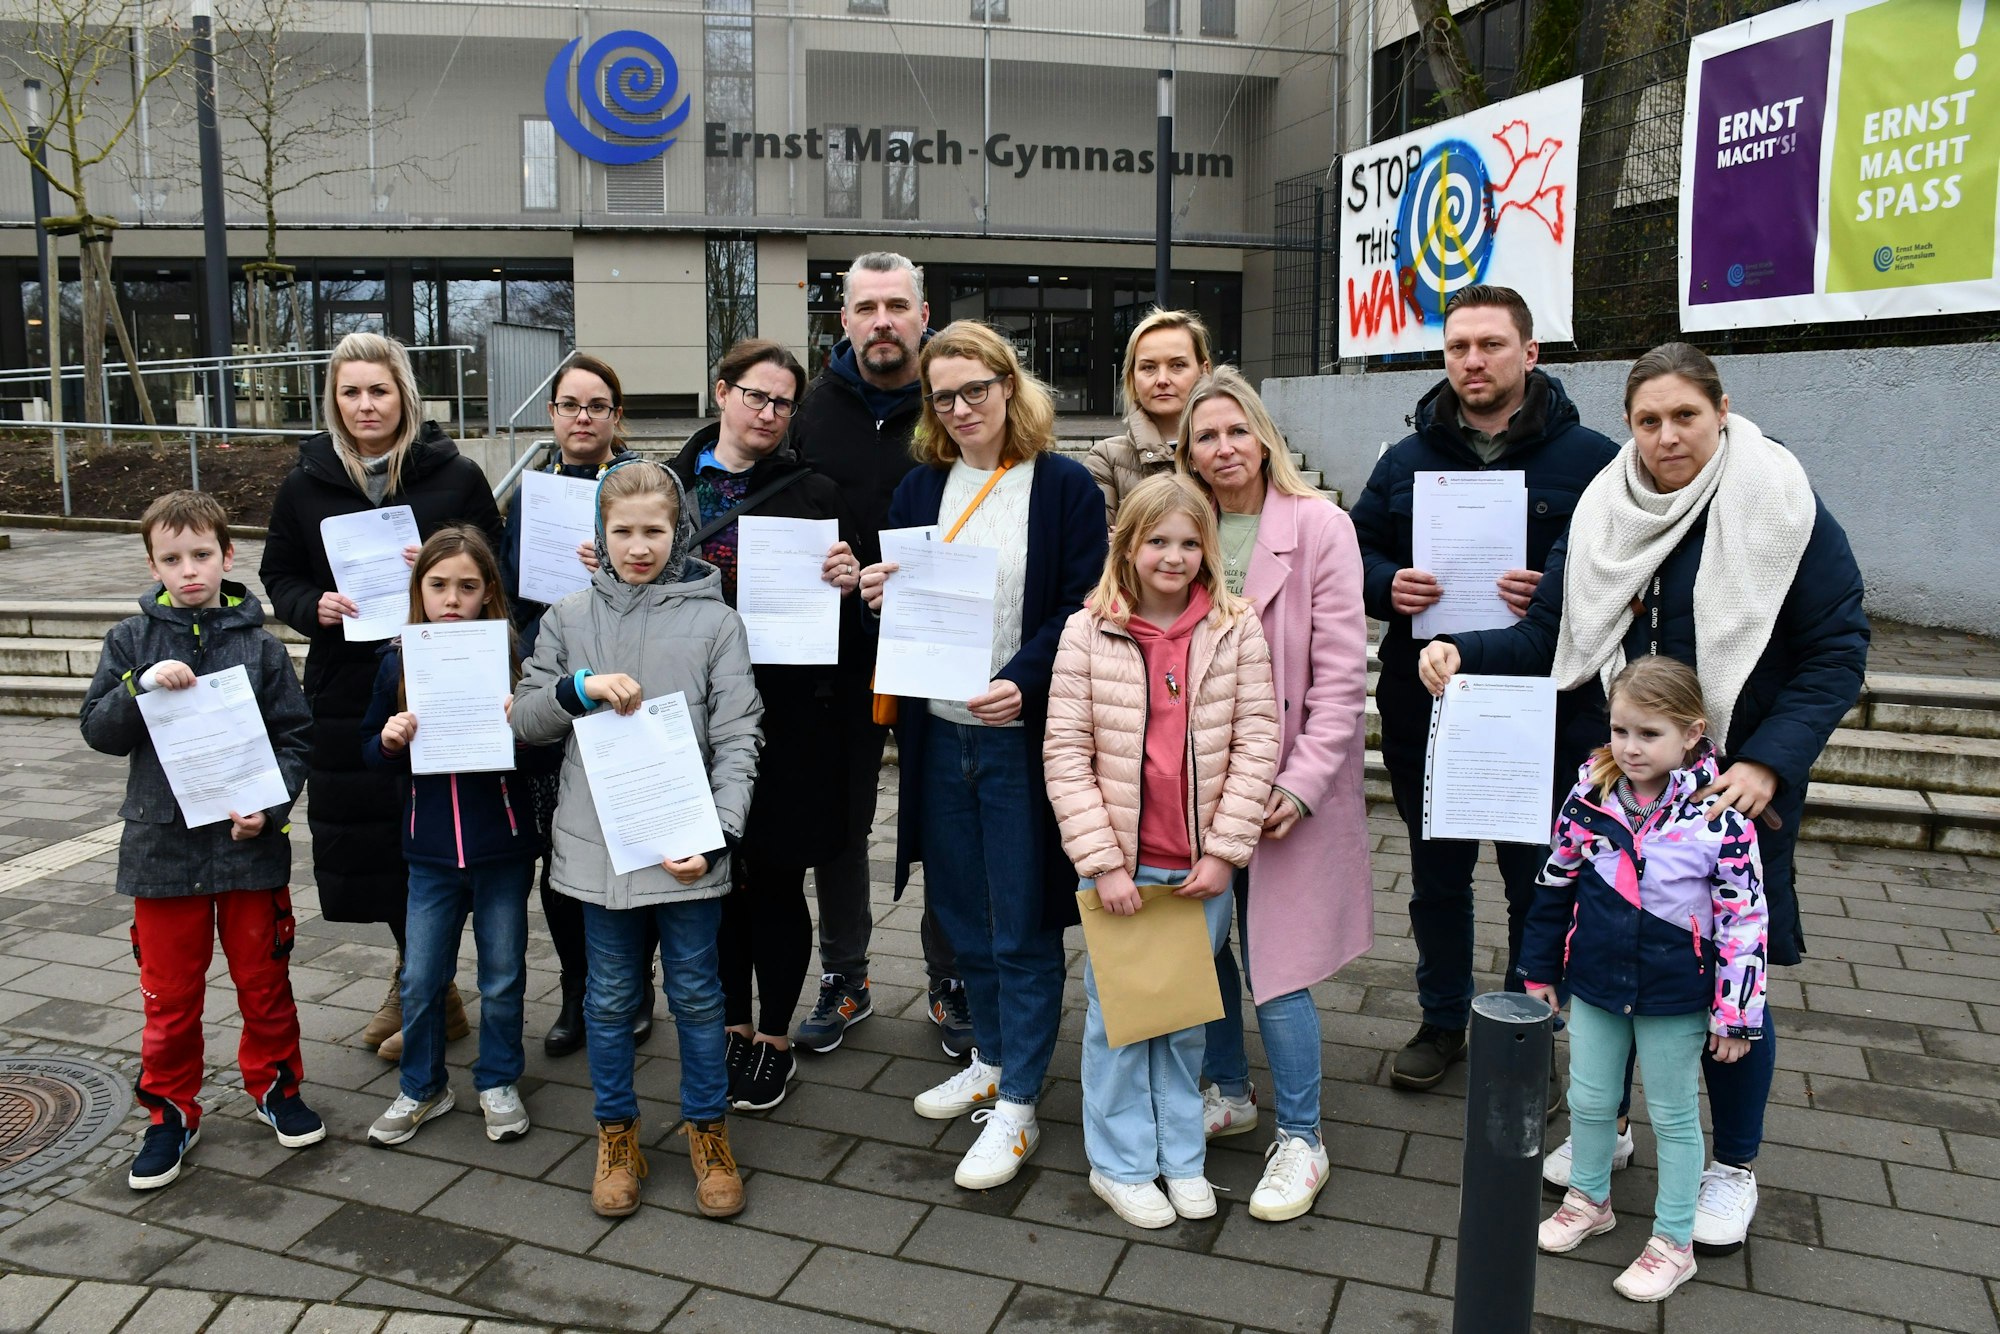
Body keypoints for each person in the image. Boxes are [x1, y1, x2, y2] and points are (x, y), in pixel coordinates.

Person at [1420, 341, 1868, 1253]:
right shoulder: (1605, 505)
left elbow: (1836, 650)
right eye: (1648, 421)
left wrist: (1769, 764)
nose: (1667, 436)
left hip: (1734, 796)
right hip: (1620, 792)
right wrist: (1463, 648)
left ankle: (1730, 1167)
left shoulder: (1782, 502)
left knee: (1731, 983)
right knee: (1606, 965)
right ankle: (1610, 1135)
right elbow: (1553, 631)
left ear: (1721, 408)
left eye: (1685, 417)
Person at [1348, 285, 1618, 1098]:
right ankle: (1441, 1020)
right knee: (1436, 874)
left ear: (1530, 353)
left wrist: (1565, 589)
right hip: (1425, 698)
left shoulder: (1594, 460)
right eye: (1459, 346)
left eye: (1492, 345)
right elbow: (1352, 551)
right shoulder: (1406, 458)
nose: (1473, 360)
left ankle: (1524, 1023)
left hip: (1544, 703)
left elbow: (1626, 575)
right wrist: (1387, 583)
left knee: (1537, 875)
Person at [858, 319, 1107, 1191]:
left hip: (1018, 743)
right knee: (963, 916)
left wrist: (1026, 679)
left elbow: (1084, 607)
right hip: (936, 737)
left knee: (1024, 924)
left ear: (1011, 386)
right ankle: (994, 1057)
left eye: (977, 389)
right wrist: (875, 593)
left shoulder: (1065, 486)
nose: (962, 408)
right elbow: (901, 612)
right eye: (945, 395)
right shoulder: (919, 490)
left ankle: (1021, 1106)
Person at [511, 459, 762, 1220]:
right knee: (611, 999)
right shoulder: (566, 618)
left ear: (679, 530)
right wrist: (574, 691)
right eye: (623, 532)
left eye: (655, 530)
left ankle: (708, 1129)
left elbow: (740, 733)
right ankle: (616, 1133)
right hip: (599, 851)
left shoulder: (716, 619)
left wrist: (719, 834)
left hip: (688, 853)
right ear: (600, 534)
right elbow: (524, 719)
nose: (640, 546)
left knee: (696, 994)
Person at [1044, 474, 1278, 1229]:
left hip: (1196, 871)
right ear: (1130, 547)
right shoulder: (1089, 629)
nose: (1173, 557)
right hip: (1120, 867)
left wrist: (1226, 852)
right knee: (1119, 1022)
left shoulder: (1236, 627)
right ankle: (1119, 1164)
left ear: (1206, 549)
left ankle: (1181, 1157)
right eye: (1157, 542)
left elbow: (1256, 742)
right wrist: (1103, 862)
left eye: (1188, 542)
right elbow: (1066, 752)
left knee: (1181, 1021)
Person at [261, 331, 501, 1059]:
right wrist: (314, 606)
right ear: (333, 401)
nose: (366, 405)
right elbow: (280, 573)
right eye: (350, 392)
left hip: (439, 679)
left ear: (404, 395)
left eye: (379, 390)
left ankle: (424, 987)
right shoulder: (305, 482)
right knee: (372, 841)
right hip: (346, 683)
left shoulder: (452, 475)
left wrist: (441, 558)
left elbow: (495, 559)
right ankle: (422, 983)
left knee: (437, 837)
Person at [79, 491, 322, 1190]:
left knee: (263, 981)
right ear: (152, 563)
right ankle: (169, 1113)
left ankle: (276, 1085)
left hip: (248, 851)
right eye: (173, 559)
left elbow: (296, 738)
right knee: (170, 996)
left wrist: (268, 806)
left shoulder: (260, 645)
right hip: (162, 855)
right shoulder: (130, 642)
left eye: (202, 555)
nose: (190, 571)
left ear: (227, 555)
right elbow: (99, 728)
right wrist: (140, 689)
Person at [1180, 367, 1371, 1222]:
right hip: (1195, 786)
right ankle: (1229, 1089)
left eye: (1235, 431)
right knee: (1203, 946)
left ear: (1263, 436)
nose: (1222, 450)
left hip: (1284, 788)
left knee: (1278, 965)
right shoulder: (1181, 525)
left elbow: (1339, 680)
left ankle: (1303, 1137)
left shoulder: (1320, 526)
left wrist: (1300, 784)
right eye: (1204, 437)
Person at [1527, 656, 1767, 1304]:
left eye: (1649, 734)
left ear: (1692, 733)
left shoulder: (1720, 814)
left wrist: (1736, 1013)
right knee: (1591, 1100)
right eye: (1620, 731)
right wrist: (1538, 970)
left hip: (1674, 994)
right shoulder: (1591, 794)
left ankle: (1673, 1242)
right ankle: (1590, 1199)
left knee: (1673, 1115)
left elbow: (1745, 916)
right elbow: (1554, 882)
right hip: (1597, 983)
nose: (1630, 748)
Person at [667, 337, 862, 1111]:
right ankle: (732, 1025)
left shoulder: (815, 493)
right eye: (756, 395)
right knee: (715, 884)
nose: (769, 413)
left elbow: (846, 627)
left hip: (784, 717)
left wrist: (847, 582)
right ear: (722, 392)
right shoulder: (666, 484)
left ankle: (774, 1036)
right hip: (690, 714)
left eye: (783, 402)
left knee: (776, 879)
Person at [789, 251, 966, 1057]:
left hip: (941, 641)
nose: (883, 321)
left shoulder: (957, 402)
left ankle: (951, 976)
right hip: (833, 654)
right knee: (837, 822)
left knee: (944, 817)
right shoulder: (806, 412)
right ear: (844, 320)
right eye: (867, 307)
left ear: (924, 316)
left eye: (898, 305)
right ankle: (847, 975)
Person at [361, 527, 556, 1148]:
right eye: (438, 585)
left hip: (502, 848)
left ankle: (498, 1080)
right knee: (421, 979)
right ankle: (422, 1087)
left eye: (467, 587)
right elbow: (369, 749)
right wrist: (390, 741)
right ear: (419, 590)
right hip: (431, 852)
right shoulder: (397, 661)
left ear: (488, 593)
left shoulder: (511, 661)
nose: (452, 598)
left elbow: (545, 754)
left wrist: (518, 730)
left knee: (502, 975)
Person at [498, 353, 643, 1059]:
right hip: (554, 688)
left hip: (624, 685)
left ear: (617, 416)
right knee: (560, 848)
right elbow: (509, 587)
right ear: (552, 414)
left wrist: (611, 567)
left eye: (597, 405)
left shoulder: (643, 482)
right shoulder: (533, 491)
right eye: (569, 405)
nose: (582, 417)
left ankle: (633, 987)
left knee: (624, 842)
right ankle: (579, 988)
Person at [1085, 309, 1214, 527]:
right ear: (1133, 378)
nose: (1162, 380)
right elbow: (1099, 550)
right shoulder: (1106, 459)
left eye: (1177, 365)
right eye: (1149, 367)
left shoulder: (1231, 449)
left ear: (1204, 371)